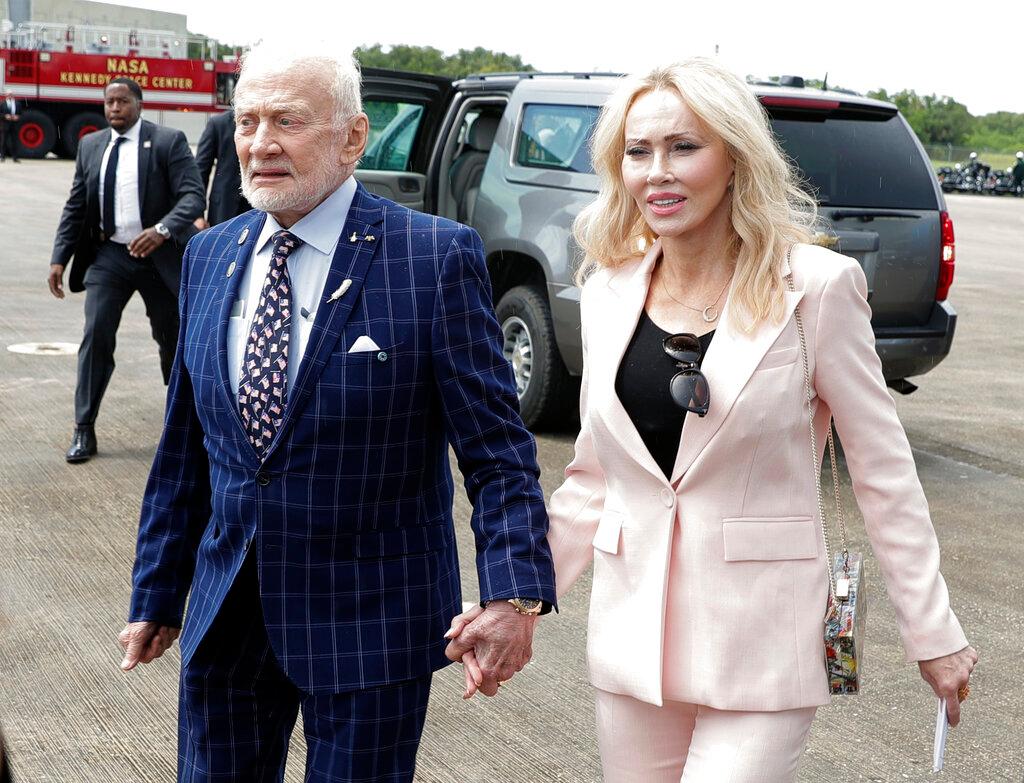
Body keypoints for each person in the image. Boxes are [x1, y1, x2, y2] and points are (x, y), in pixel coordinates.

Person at [448, 59, 976, 782]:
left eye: (683, 148)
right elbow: (594, 479)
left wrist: (933, 630)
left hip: (763, 642)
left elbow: (884, 471)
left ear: (734, 158)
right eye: (639, 152)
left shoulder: (816, 287)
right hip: (635, 642)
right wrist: (520, 597)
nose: (656, 172)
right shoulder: (608, 291)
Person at [117, 38, 555, 783]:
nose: (260, 144)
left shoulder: (434, 258)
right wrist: (157, 590)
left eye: (286, 121)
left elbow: (498, 452)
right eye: (247, 120)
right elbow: (184, 447)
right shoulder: (209, 255)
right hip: (227, 614)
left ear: (354, 137)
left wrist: (515, 593)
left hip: (370, 621)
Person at [47, 77, 204, 463]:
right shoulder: (90, 146)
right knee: (96, 334)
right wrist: (59, 258)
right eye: (108, 102)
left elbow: (192, 195)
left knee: (173, 340)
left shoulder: (168, 142)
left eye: (122, 101)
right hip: (110, 257)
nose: (114, 108)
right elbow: (76, 206)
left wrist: (162, 230)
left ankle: (183, 426)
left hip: (159, 258)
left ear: (139, 104)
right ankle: (84, 427)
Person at [193, 109, 251, 228]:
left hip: (259, 206)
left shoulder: (266, 123)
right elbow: (200, 172)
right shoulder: (218, 123)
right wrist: (197, 214)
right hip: (223, 207)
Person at [0, 90, 21, 163]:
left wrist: (17, 117)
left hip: (14, 125)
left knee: (14, 142)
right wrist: (5, 116)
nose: (10, 96)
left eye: (11, 94)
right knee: (3, 142)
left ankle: (15, 158)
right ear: (6, 95)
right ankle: (2, 157)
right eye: (9, 94)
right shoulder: (2, 103)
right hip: (5, 125)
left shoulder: (17, 103)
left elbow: (21, 113)